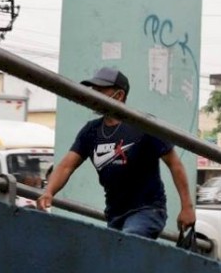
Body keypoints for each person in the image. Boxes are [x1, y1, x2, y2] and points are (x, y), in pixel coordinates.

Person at [37, 67, 195, 239]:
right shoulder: (91, 131)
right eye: (93, 91)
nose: (93, 96)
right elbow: (66, 166)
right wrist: (49, 191)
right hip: (115, 214)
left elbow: (175, 164)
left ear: (119, 96)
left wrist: (187, 207)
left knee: (126, 243)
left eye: (100, 91)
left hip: (147, 211)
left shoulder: (143, 125)